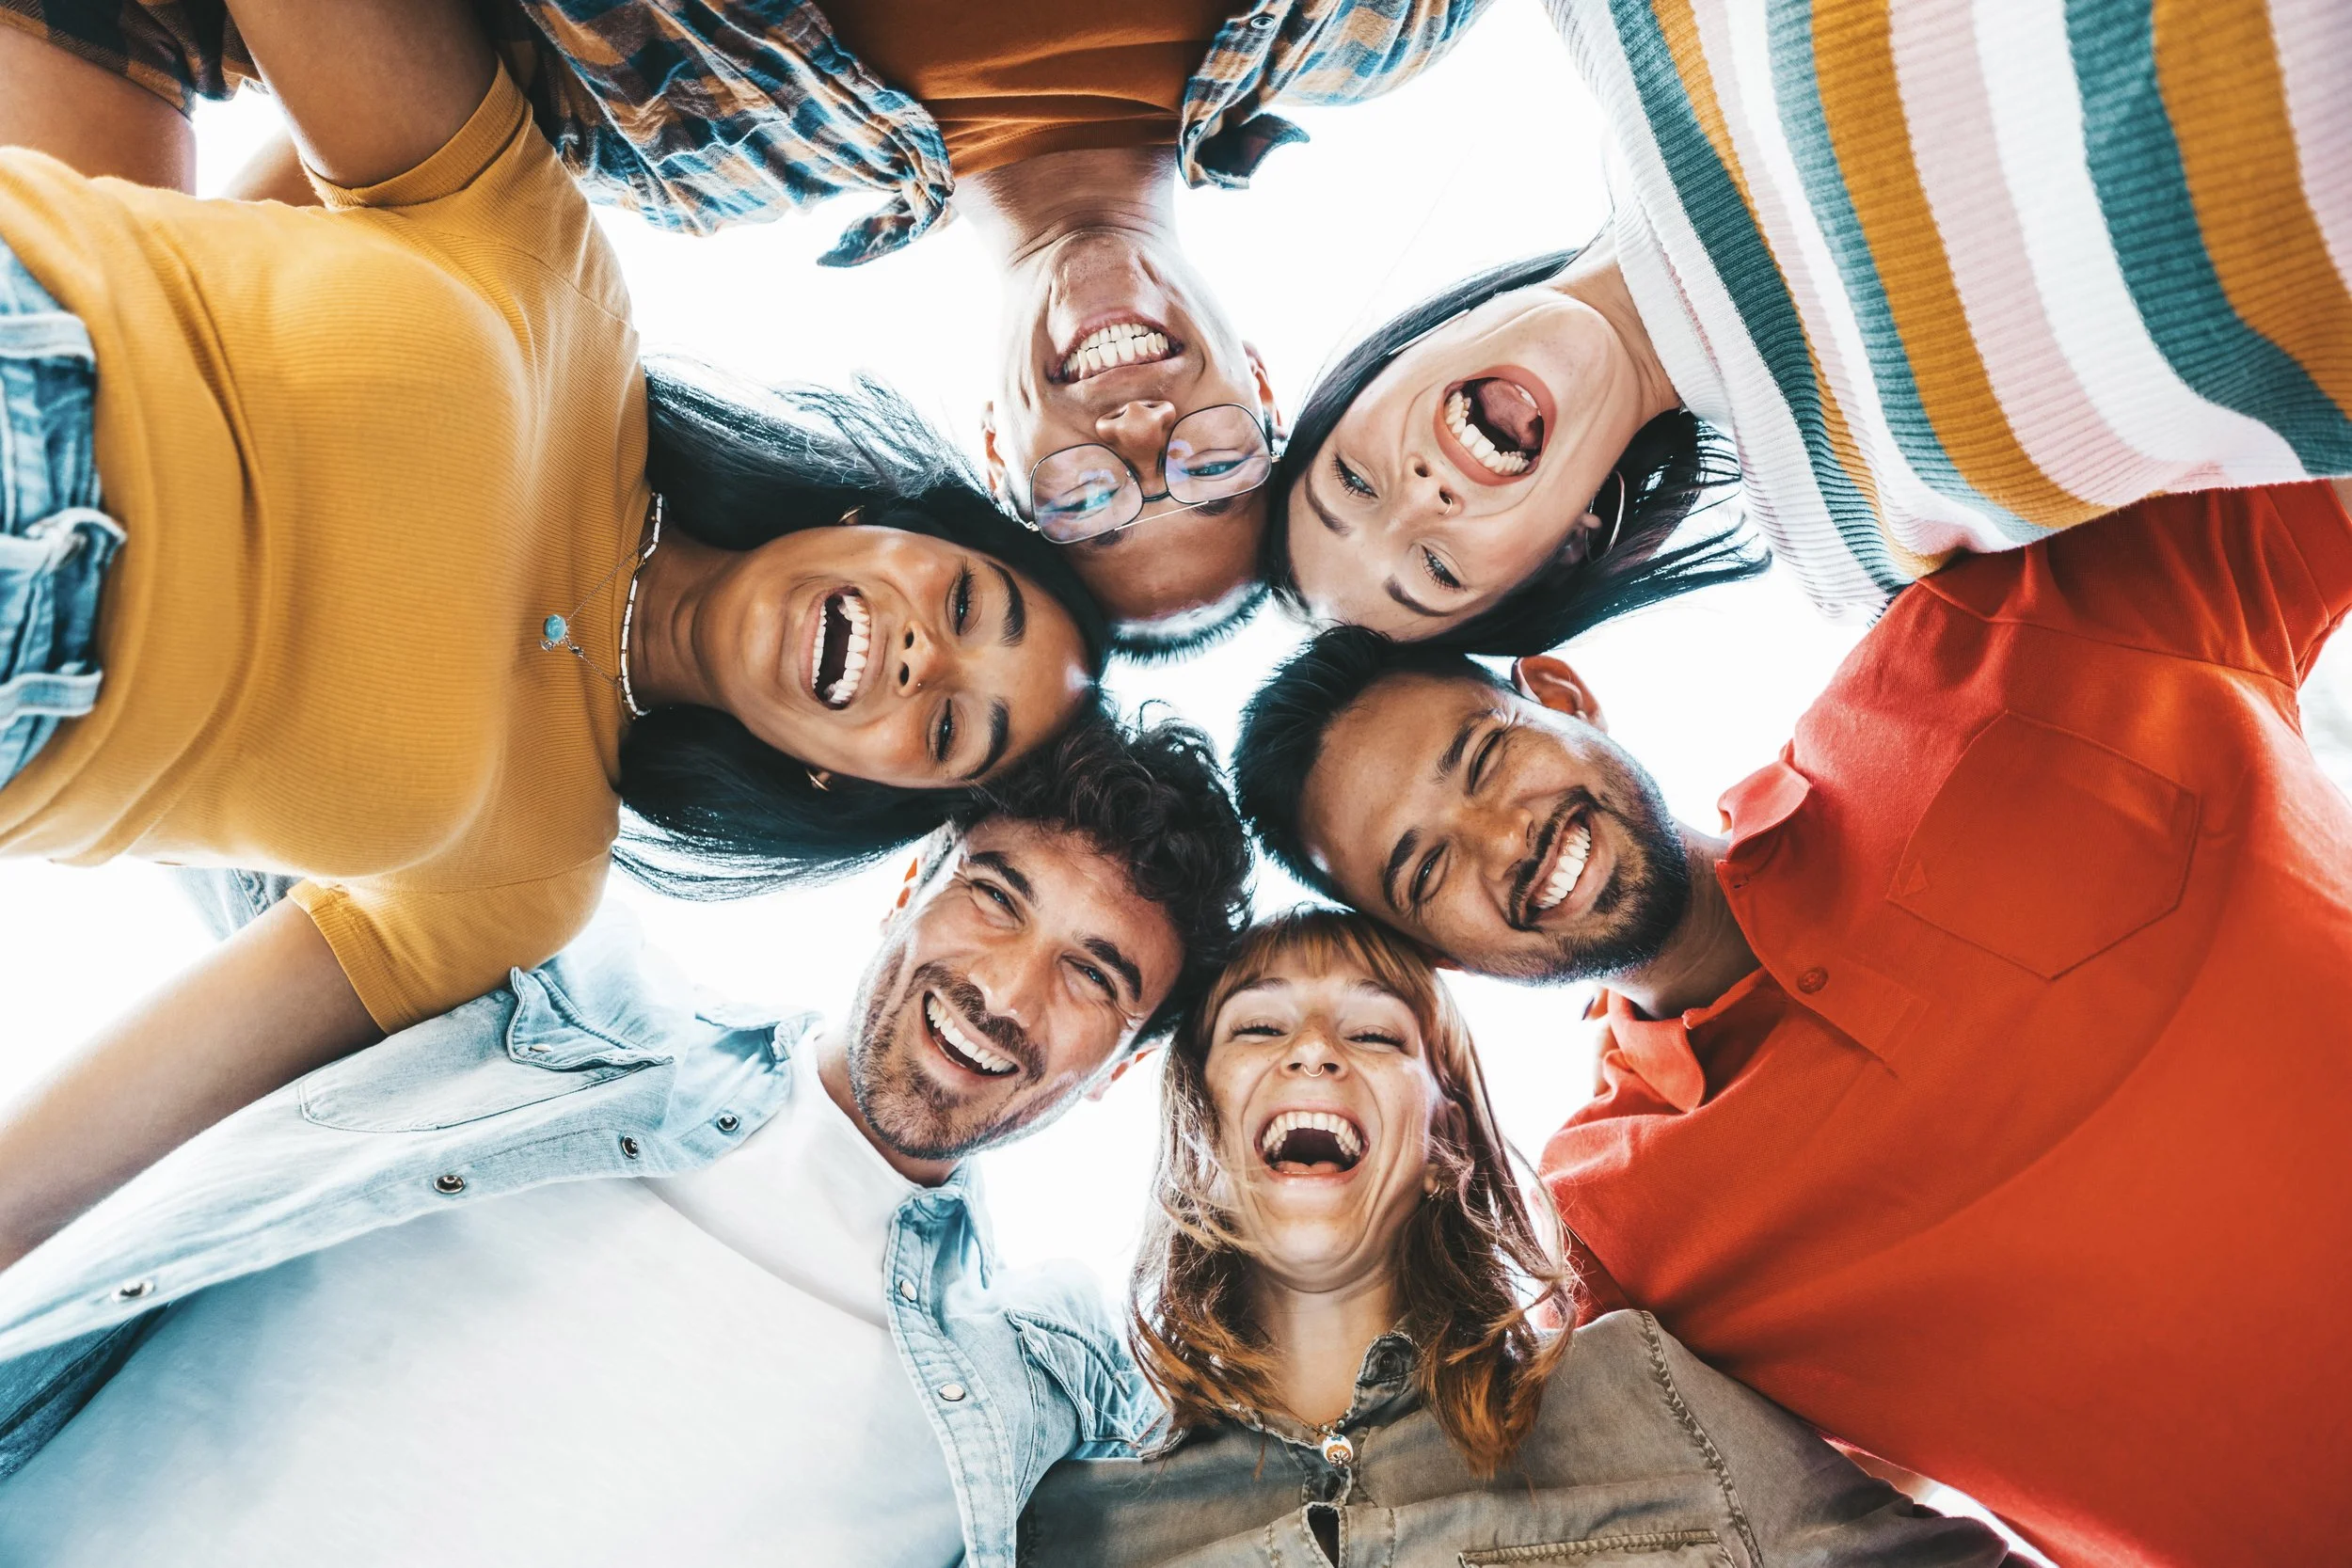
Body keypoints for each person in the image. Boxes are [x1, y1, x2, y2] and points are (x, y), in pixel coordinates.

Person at [0, 0, 1126, 1268]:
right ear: (889, 517)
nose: (928, 656)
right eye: (971, 601)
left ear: (845, 780)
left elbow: (110, 1123)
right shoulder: (566, 284)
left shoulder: (526, 885)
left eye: (949, 727)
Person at [1229, 480, 2352, 1566]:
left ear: (1564, 697)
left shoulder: (1986, 647)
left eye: (1483, 757)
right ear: (1435, 956)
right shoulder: (1621, 1238)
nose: (1501, 841)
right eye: (1426, 870)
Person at [0, 711, 1255, 1566]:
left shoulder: (1042, 1378)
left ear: (1118, 1069)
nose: (1008, 990)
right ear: (905, 888)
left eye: (1092, 976)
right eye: (996, 897)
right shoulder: (554, 993)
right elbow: (215, 761)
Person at [5, 0, 1499, 651]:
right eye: (1218, 465)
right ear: (1265, 379)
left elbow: (241, 100)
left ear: (995, 445)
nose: (1142, 439)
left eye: (1091, 499)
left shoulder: (675, 148)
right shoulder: (1383, 21)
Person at [1262, 0, 2352, 652]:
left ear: (1385, 366)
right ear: (1568, 547)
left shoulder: (1609, 22)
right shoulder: (1865, 543)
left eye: (1354, 481)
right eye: (1439, 568)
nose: (1421, 495)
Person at [1018, 908, 2010, 1566]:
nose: (1314, 1048)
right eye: (1257, 1029)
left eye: (1374, 1034)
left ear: (1444, 1132)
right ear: (1200, 1119)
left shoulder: (1647, 1389)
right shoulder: (1063, 1524)